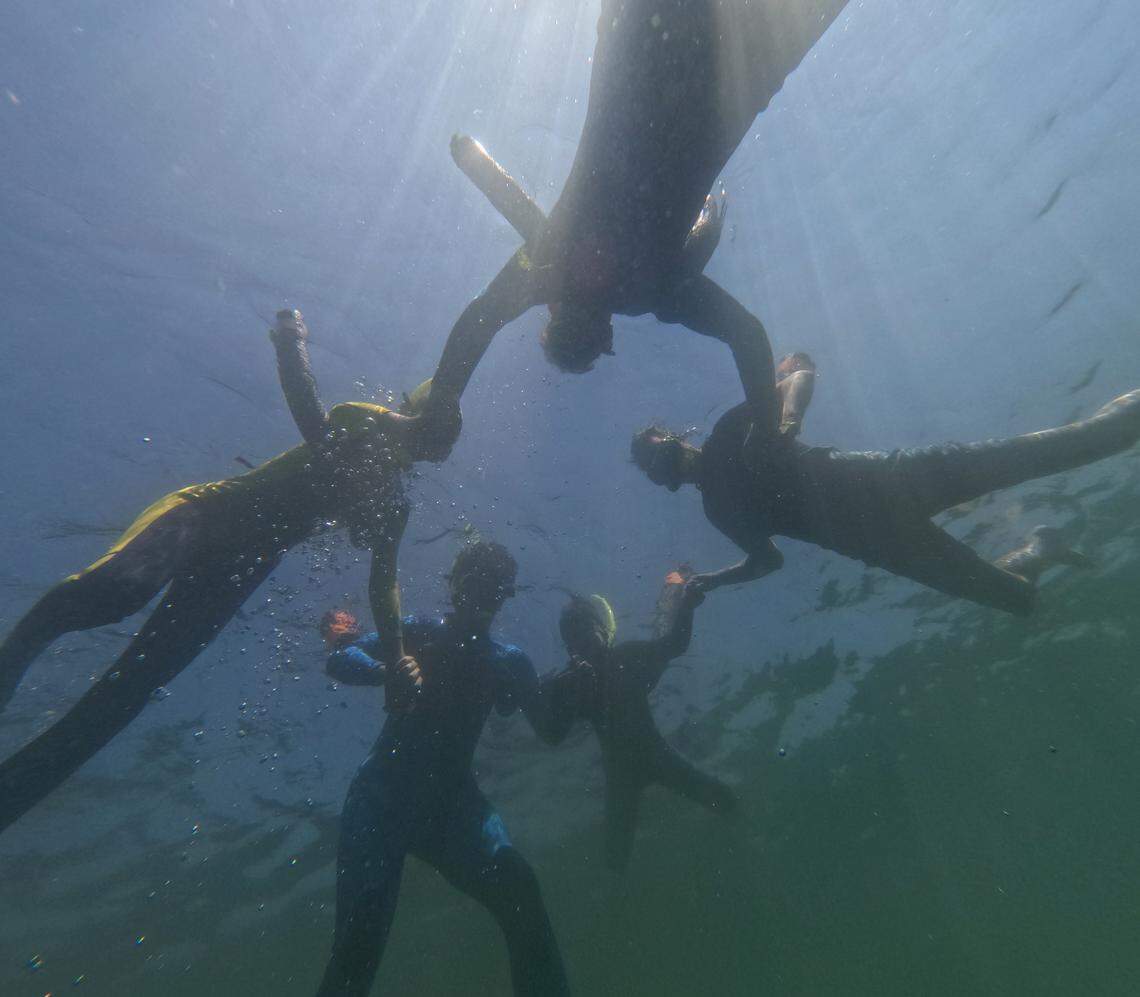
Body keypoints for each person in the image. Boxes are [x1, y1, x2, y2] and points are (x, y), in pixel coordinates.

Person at [0, 309, 451, 834]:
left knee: (138, 683)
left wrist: (397, 657)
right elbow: (313, 419)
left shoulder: (393, 504)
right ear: (413, 415)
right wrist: (290, 343)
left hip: (244, 567)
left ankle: (15, 792)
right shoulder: (365, 419)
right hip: (204, 515)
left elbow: (383, 580)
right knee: (114, 592)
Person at [420, 0, 852, 444]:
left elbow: (748, 334)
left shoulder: (655, 290)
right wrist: (443, 398)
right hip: (639, 36)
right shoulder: (550, 262)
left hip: (741, 71)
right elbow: (483, 314)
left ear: (607, 337)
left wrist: (766, 433)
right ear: (550, 316)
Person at [630, 353, 1140, 615]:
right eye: (651, 462)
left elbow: (799, 374)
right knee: (1017, 600)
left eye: (655, 444)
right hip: (882, 545)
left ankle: (1123, 422)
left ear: (675, 436)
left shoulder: (725, 432)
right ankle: (1039, 546)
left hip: (896, 479)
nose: (658, 456)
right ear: (663, 482)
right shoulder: (717, 511)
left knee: (1070, 446)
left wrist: (790, 418)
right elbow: (768, 560)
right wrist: (710, 581)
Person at [316, 540, 573, 997]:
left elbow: (551, 729)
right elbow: (340, 657)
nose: (479, 596)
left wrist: (576, 683)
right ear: (454, 586)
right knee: (360, 941)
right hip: (381, 800)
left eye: (490, 588)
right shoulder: (418, 630)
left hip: (449, 805)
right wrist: (388, 671)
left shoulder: (509, 661)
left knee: (519, 889)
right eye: (473, 583)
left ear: (502, 596)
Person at [550, 569, 737, 872]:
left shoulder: (625, 657)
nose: (582, 642)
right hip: (630, 771)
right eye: (574, 638)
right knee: (615, 858)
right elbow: (552, 730)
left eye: (585, 631)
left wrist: (686, 606)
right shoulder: (573, 684)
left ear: (600, 630)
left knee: (724, 800)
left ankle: (748, 842)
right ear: (570, 648)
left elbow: (675, 644)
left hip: (647, 762)